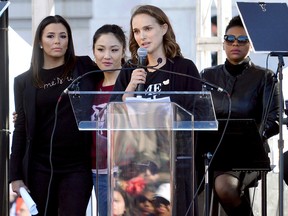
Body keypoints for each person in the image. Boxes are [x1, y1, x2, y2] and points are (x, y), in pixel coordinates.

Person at [111, 4, 202, 215]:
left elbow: (197, 113)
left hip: (175, 165)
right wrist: (131, 88)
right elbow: (112, 115)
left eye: (148, 29)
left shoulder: (184, 68)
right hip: (135, 166)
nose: (142, 36)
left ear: (163, 28)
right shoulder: (129, 71)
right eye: (136, 31)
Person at [9, 15, 99, 216]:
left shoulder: (84, 67)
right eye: (50, 36)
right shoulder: (23, 82)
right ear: (40, 42)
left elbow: (113, 77)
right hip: (39, 167)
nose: (57, 41)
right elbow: (21, 129)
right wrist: (14, 175)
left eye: (63, 36)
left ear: (69, 41)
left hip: (77, 166)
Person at [198, 15, 279, 215]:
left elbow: (275, 117)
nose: (235, 43)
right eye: (230, 39)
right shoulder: (207, 75)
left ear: (250, 45)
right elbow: (197, 112)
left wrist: (254, 135)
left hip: (249, 155)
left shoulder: (265, 77)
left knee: (225, 186)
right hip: (212, 151)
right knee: (187, 179)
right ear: (223, 43)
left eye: (242, 40)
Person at [90, 24, 126, 216]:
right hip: (96, 170)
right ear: (93, 52)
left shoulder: (131, 85)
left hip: (125, 170)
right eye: (101, 49)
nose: (107, 56)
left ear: (123, 51)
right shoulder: (90, 85)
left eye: (114, 50)